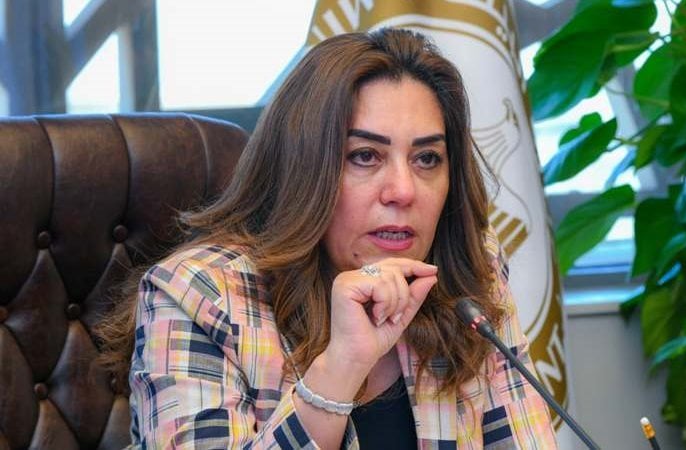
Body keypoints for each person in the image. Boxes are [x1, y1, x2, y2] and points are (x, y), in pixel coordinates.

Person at [98, 28, 558, 449]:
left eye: (427, 159)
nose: (403, 191)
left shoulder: (467, 270)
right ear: (304, 172)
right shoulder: (199, 295)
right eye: (365, 156)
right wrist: (340, 368)